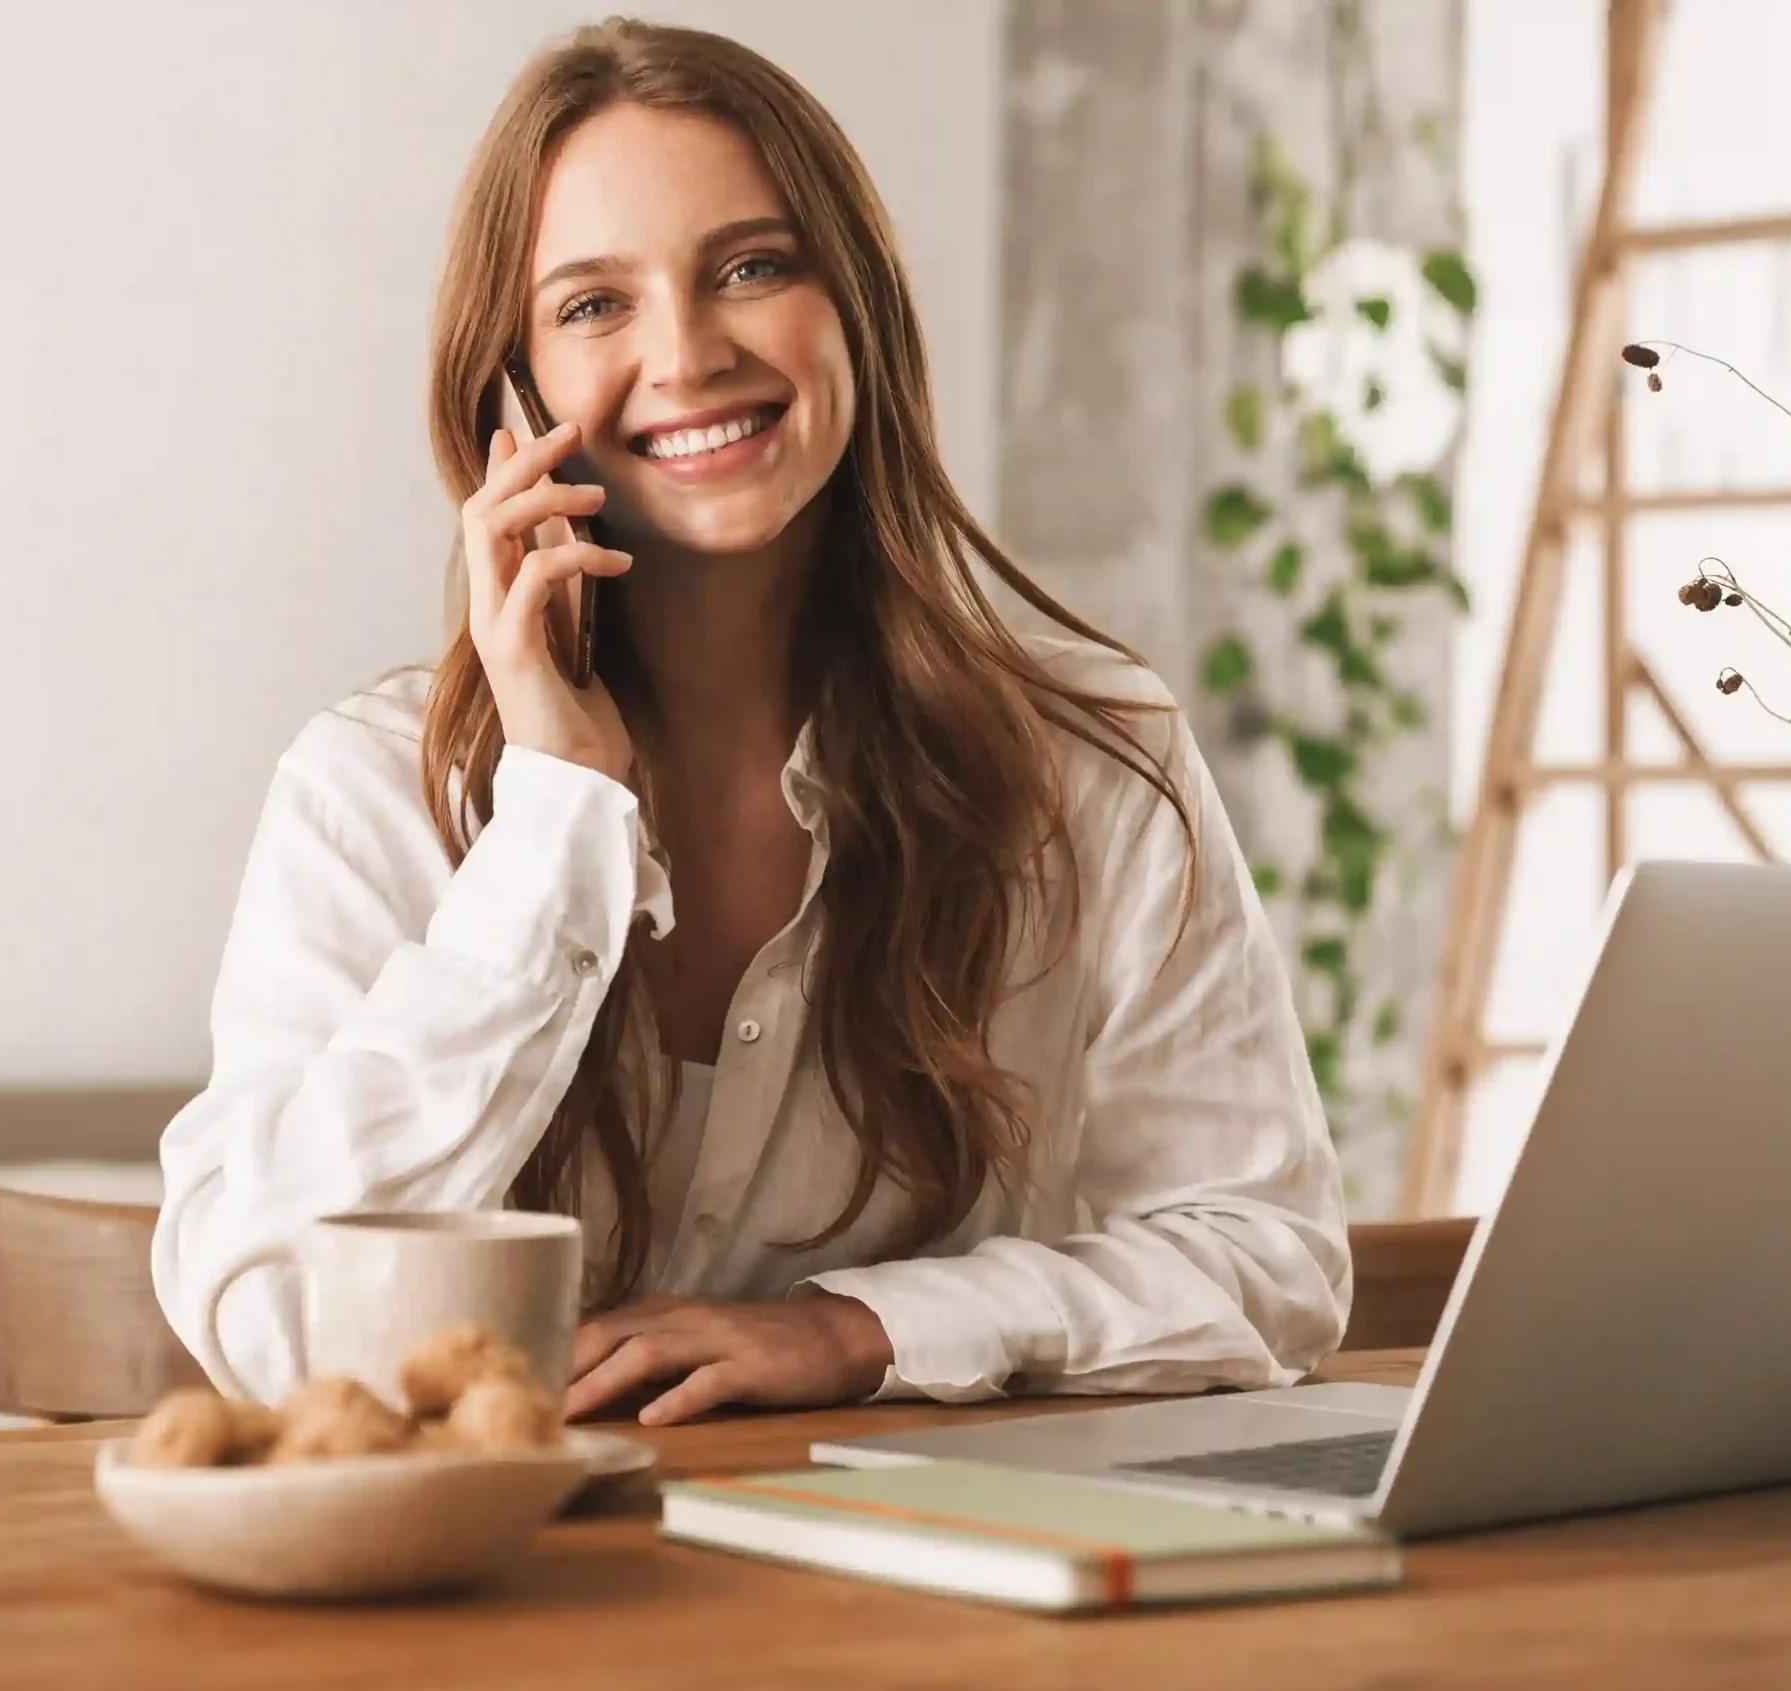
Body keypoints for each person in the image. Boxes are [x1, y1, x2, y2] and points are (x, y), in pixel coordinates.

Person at [153, 16, 1348, 1428]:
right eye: (595, 304)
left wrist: (859, 1332)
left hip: (939, 1592)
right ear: (511, 394)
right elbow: (277, 1319)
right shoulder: (368, 793)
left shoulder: (1094, 764)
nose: (690, 351)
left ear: (858, 309)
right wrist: (554, 816)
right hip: (503, 1603)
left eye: (752, 268)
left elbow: (1268, 1258)